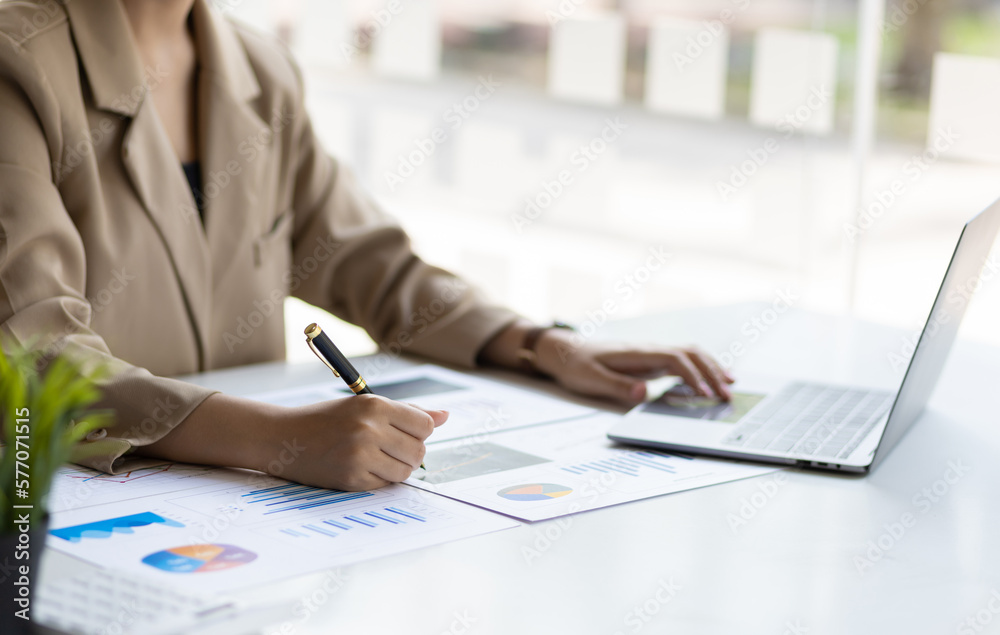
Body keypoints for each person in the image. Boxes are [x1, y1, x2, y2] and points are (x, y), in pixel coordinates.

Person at [0, 0, 733, 492]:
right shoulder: (18, 63)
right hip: (66, 512)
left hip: (236, 526)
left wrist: (539, 345)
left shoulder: (258, 67)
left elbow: (363, 259)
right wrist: (275, 439)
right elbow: (34, 354)